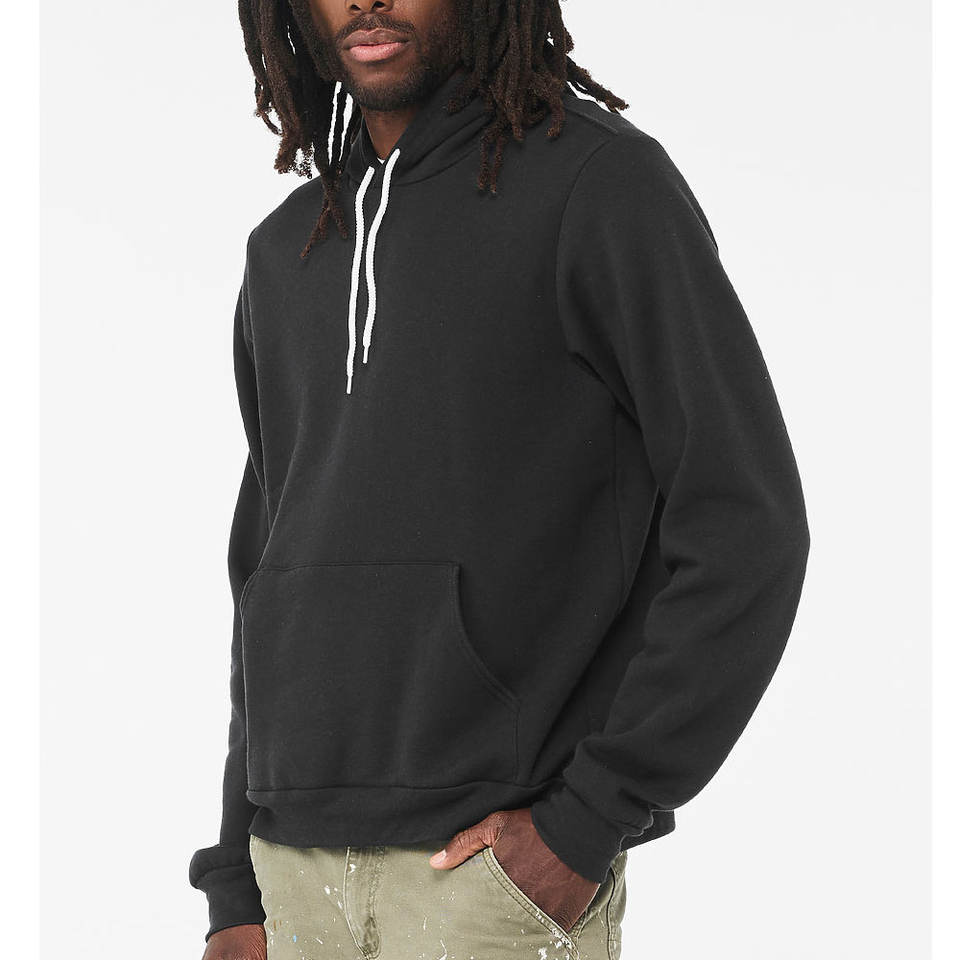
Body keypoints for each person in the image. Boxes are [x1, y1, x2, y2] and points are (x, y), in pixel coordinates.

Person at [188, 1, 811, 957]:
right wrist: (237, 877)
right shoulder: (284, 251)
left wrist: (591, 817)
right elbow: (263, 579)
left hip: (486, 878)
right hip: (289, 882)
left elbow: (745, 522)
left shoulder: (597, 186)